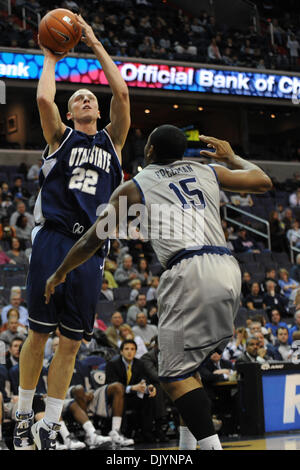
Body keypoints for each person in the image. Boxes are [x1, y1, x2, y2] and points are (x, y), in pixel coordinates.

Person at [44, 128, 272, 450]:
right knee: (180, 365)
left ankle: (212, 447)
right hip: (227, 271)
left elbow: (92, 239)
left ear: (149, 151)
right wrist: (232, 157)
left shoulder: (134, 187)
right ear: (181, 153)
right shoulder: (207, 170)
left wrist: (59, 273)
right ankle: (186, 449)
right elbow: (263, 181)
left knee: (173, 377)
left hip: (187, 276)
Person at [13, 12, 130, 451]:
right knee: (38, 333)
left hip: (91, 249)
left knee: (69, 343)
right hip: (55, 238)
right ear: (69, 110)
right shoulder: (59, 137)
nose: (84, 100)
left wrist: (96, 43)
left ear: (98, 110)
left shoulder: (112, 142)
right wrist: (50, 56)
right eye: (77, 97)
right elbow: (43, 101)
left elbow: (120, 90)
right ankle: (24, 416)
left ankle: (50, 422)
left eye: (89, 98)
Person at [105, 339, 157, 442]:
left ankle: (147, 432)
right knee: (122, 400)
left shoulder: (140, 364)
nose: (130, 352)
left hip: (133, 397)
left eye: (132, 349)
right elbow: (111, 385)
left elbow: (144, 381)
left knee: (149, 397)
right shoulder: (112, 364)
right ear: (121, 351)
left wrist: (149, 388)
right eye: (127, 349)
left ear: (136, 352)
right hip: (117, 398)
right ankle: (121, 432)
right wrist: (132, 388)